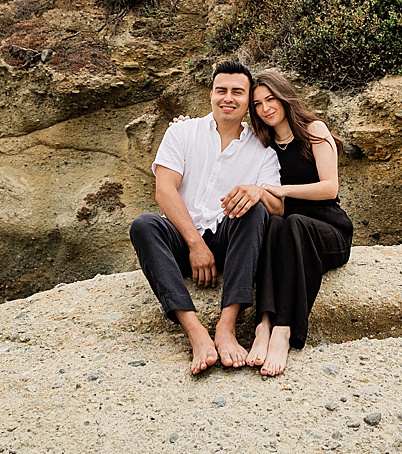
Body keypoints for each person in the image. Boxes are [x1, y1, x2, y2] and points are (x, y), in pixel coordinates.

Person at [128, 61, 283, 375]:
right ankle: (196, 332)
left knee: (254, 208)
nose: (228, 98)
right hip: (183, 238)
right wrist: (196, 245)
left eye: (237, 92)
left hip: (231, 243)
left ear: (248, 98)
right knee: (143, 225)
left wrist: (256, 190)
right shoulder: (183, 132)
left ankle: (226, 328)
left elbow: (278, 208)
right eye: (221, 90)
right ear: (211, 94)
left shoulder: (263, 151)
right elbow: (164, 191)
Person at [245, 69, 353, 377]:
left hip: (329, 230)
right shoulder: (263, 144)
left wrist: (284, 190)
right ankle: (263, 325)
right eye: (257, 104)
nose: (266, 108)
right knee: (274, 225)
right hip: (291, 231)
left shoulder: (313, 130)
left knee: (291, 223)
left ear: (284, 96)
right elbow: (222, 129)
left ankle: (284, 330)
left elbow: (330, 187)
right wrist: (184, 124)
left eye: (270, 99)